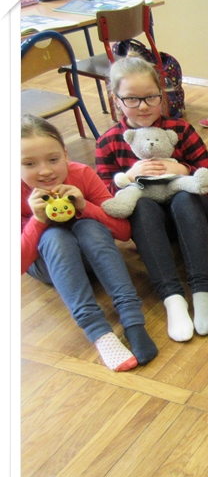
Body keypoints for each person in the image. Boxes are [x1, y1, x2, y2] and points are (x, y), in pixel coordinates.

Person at [95, 56, 208, 343]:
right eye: (132, 99)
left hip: (192, 213)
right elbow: (104, 198)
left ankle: (202, 291)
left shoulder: (180, 129)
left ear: (161, 94)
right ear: (116, 100)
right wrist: (129, 177)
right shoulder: (109, 141)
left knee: (184, 198)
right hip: (149, 223)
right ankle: (172, 299)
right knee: (141, 205)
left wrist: (183, 169)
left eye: (151, 97)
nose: (143, 106)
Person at [21, 114, 157, 372]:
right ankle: (98, 331)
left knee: (89, 226)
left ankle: (132, 319)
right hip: (48, 262)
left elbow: (123, 231)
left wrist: (85, 206)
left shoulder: (81, 174)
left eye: (53, 159)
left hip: (90, 256)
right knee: (55, 236)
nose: (45, 170)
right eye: (29, 163)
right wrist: (37, 221)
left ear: (65, 154)